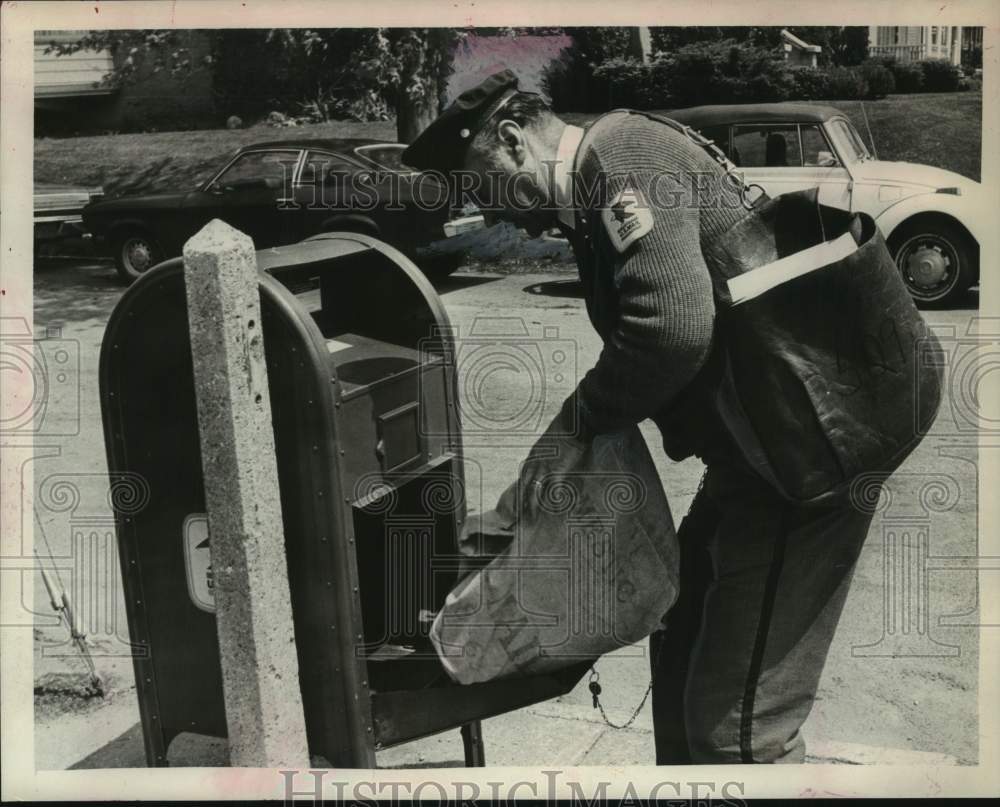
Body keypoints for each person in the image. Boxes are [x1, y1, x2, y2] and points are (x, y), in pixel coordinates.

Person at [401, 70, 882, 764]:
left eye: (480, 186)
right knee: (681, 633)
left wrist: (577, 422)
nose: (491, 211)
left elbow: (670, 330)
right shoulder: (598, 185)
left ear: (510, 140)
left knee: (737, 726)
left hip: (810, 454)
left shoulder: (617, 157)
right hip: (762, 449)